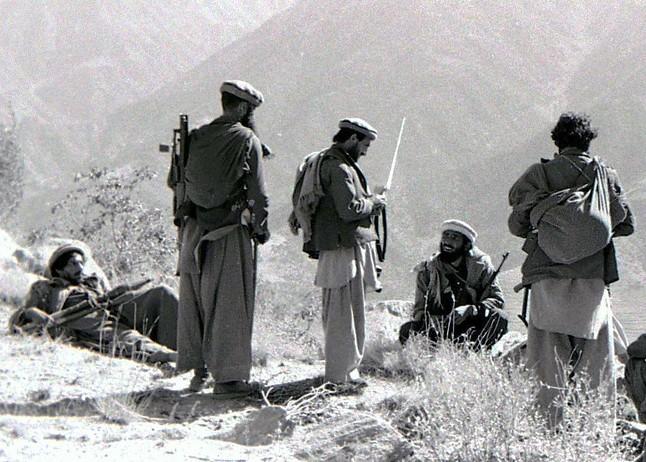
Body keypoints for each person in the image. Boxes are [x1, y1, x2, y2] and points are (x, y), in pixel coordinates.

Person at [508, 112, 634, 427]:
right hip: (592, 282)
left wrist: (552, 226)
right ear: (588, 141)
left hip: (547, 281)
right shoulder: (605, 176)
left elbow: (516, 224)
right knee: (597, 369)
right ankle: (594, 436)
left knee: (546, 368)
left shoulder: (539, 174)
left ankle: (547, 435)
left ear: (557, 141)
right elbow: (626, 223)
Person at [176, 80, 270, 398]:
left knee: (200, 302)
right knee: (230, 303)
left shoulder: (197, 136)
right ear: (243, 108)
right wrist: (261, 227)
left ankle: (200, 368)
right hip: (230, 230)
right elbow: (257, 192)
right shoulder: (247, 139)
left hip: (194, 232)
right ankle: (229, 380)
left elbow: (176, 180)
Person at [293, 117, 385, 385]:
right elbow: (349, 210)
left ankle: (346, 370)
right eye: (365, 144)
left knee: (346, 309)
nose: (366, 150)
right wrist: (374, 202)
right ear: (353, 139)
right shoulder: (340, 168)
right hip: (340, 248)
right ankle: (338, 375)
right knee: (342, 312)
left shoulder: (332, 162)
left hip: (341, 245)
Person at [9, 243, 178, 363]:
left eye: (81, 263)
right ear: (59, 269)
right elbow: (22, 315)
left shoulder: (91, 282)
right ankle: (174, 356)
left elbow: (110, 298)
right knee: (130, 339)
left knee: (161, 293)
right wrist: (35, 314)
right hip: (88, 324)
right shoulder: (45, 287)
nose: (80, 268)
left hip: (113, 312)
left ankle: (192, 340)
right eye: (73, 264)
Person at [399, 220, 507, 349]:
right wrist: (429, 321)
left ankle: (474, 355)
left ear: (466, 245)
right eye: (445, 236)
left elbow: (497, 300)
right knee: (408, 330)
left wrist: (470, 310)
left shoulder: (481, 266)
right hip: (440, 325)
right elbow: (420, 308)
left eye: (454, 237)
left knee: (500, 317)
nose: (447, 241)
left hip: (471, 324)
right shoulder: (429, 269)